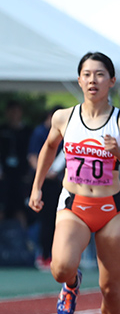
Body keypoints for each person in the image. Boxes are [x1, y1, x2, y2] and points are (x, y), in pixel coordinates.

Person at [28, 52, 120, 314]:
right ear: (79, 79)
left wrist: (119, 153)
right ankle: (72, 281)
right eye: (87, 74)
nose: (92, 80)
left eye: (99, 74)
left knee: (111, 289)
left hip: (111, 209)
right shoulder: (64, 117)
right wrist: (37, 186)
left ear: (112, 81)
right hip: (75, 205)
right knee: (60, 267)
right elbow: (50, 146)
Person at [27, 106, 64, 270]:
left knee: (59, 220)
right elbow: (33, 156)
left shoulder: (65, 134)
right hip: (43, 182)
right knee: (45, 220)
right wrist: (42, 174)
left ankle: (56, 255)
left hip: (59, 182)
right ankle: (43, 255)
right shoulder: (40, 132)